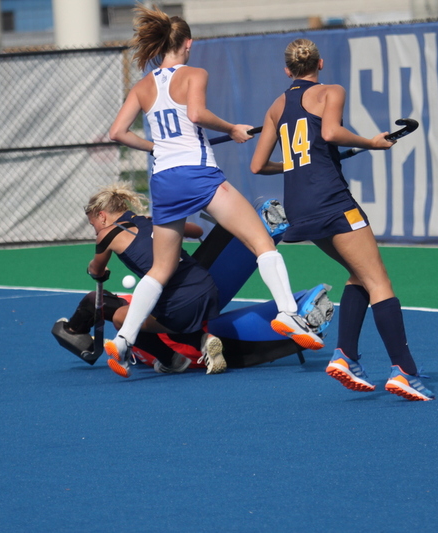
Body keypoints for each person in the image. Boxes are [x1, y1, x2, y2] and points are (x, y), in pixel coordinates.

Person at [104, 5, 323, 377]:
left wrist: (155, 147)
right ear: (188, 44)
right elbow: (196, 115)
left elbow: (118, 133)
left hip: (165, 179)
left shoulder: (142, 86)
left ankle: (124, 339)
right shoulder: (195, 73)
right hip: (198, 174)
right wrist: (233, 128)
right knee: (261, 243)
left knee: (160, 269)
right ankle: (289, 314)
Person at [250, 38, 435, 401]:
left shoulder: (275, 106)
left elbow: (258, 165)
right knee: (379, 280)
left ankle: (345, 355)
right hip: (332, 201)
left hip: (300, 208)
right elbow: (331, 132)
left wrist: (297, 164)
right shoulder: (331, 90)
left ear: (287, 70)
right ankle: (404, 370)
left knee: (359, 274)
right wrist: (372, 142)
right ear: (321, 63)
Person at [82, 183, 227, 376]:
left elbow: (97, 270)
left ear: (102, 215)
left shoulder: (107, 234)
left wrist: (92, 269)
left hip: (180, 303)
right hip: (207, 287)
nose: (95, 231)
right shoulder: (150, 220)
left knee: (120, 318)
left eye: (94, 225)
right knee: (161, 308)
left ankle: (174, 361)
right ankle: (205, 341)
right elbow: (197, 232)